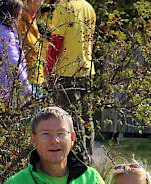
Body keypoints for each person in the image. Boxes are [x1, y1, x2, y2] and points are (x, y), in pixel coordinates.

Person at [44, 0, 96, 163]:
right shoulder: (88, 7)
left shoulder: (62, 7)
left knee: (69, 118)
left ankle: (77, 160)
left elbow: (56, 42)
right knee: (87, 117)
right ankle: (88, 157)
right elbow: (90, 40)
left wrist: (47, 70)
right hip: (87, 69)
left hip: (66, 71)